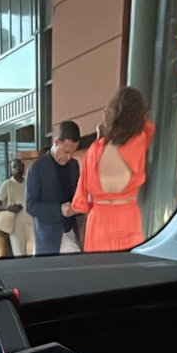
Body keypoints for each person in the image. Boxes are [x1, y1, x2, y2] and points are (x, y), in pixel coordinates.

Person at [72, 87, 155, 252]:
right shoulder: (138, 141)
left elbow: (82, 198)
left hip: (98, 220)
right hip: (126, 216)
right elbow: (148, 126)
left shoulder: (94, 151)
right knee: (127, 266)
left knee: (99, 267)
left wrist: (102, 135)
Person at [26, 121, 82, 255]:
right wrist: (59, 210)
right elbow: (31, 206)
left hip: (71, 234)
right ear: (56, 142)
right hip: (47, 240)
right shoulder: (37, 168)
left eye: (73, 152)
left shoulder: (74, 165)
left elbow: (77, 194)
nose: (68, 157)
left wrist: (79, 206)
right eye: (66, 151)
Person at [0, 158, 35, 256]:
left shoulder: (30, 182)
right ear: (10, 170)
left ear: (23, 168)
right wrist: (8, 207)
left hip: (31, 222)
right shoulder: (8, 184)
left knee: (33, 251)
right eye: (14, 167)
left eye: (19, 166)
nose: (17, 169)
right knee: (19, 253)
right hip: (16, 225)